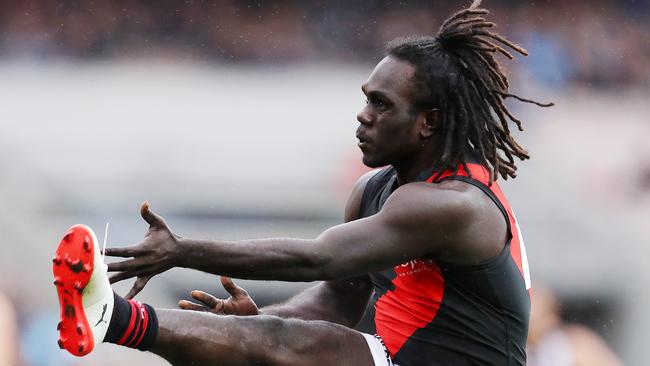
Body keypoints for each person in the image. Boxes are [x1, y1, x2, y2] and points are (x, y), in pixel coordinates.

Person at [53, 1, 551, 365]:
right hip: (396, 360)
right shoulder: (375, 191)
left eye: (382, 104)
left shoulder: (457, 205)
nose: (362, 115)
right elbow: (334, 300)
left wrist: (181, 250)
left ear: (428, 122)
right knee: (290, 338)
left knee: (309, 345)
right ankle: (113, 318)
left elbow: (316, 258)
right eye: (366, 99)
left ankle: (111, 317)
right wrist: (255, 324)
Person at [526, 286, 623, 366]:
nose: (531, 328)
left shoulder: (573, 343)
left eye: (536, 320)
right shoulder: (520, 349)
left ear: (552, 318)